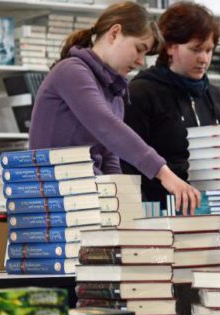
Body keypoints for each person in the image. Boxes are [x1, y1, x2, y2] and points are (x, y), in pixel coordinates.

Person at [29, 1, 200, 214]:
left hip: (85, 199)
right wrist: (164, 173)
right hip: (53, 202)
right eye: (139, 49)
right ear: (115, 33)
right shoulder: (71, 71)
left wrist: (122, 206)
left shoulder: (115, 92)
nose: (140, 61)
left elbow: (110, 157)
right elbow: (107, 127)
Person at [122, 1, 220, 205]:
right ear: (170, 47)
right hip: (158, 210)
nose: (204, 59)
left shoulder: (217, 99)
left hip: (213, 210)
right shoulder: (141, 93)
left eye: (209, 50)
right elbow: (127, 162)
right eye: (196, 49)